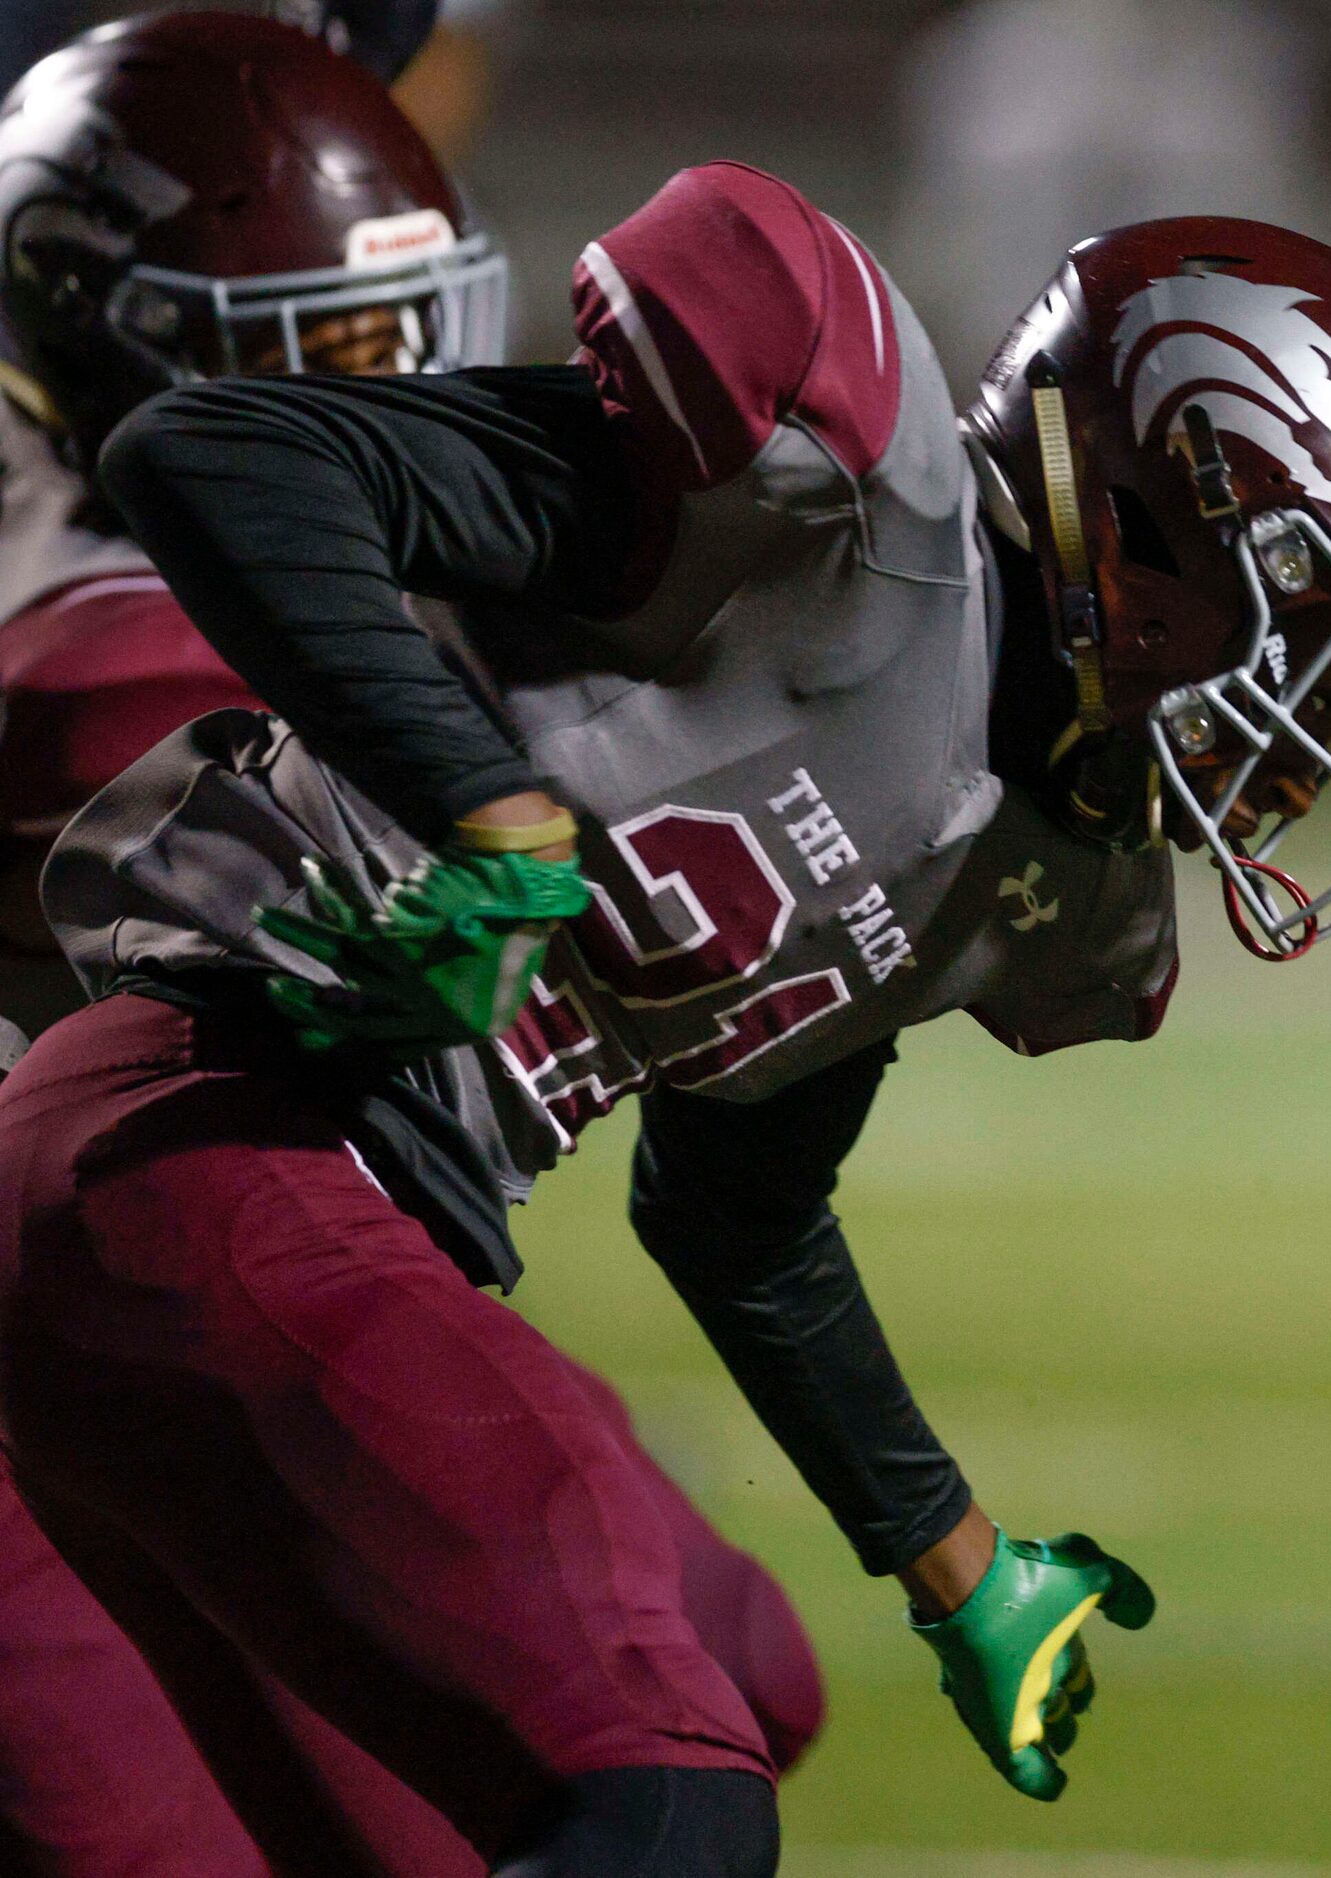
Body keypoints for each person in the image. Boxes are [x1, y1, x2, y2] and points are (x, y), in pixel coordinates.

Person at [0, 13, 1331, 1870]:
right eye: (1323, 660)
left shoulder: (1045, 890)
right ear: (1136, 536)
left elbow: (737, 1206)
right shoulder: (821, 503)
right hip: (211, 1126)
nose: (1316, 746)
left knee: (671, 1718)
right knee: (661, 1792)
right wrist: (488, 805)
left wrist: (952, 1555)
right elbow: (219, 450)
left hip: (296, 1229)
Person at [0, 16, 822, 1874]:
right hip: (95, 1293)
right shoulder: (107, 640)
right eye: (340, 355)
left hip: (220, 1227)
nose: (399, 396)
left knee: (747, 1673)